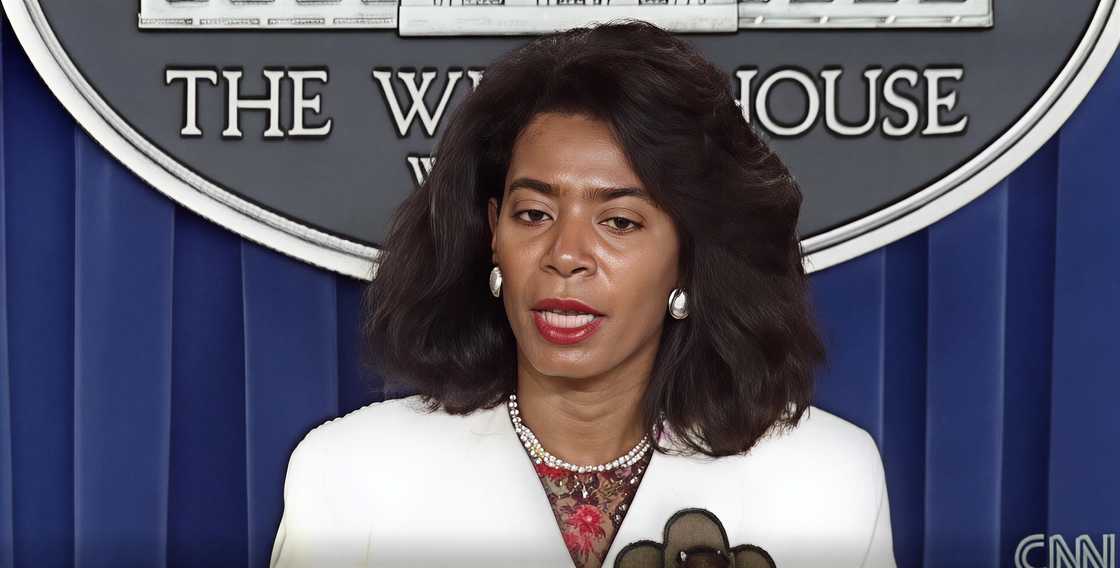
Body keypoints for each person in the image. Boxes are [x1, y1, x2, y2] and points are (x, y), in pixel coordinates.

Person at [269, 19, 896, 568]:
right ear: (493, 235)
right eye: (534, 214)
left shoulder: (826, 480)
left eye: (619, 222)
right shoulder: (351, 474)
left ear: (690, 257)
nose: (565, 255)